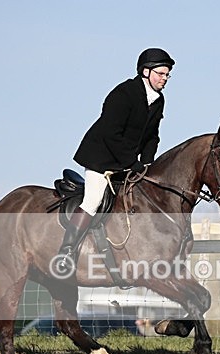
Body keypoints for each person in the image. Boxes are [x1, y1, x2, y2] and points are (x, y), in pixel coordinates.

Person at [54, 47, 175, 278]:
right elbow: (111, 133)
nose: (165, 79)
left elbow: (152, 136)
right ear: (146, 72)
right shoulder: (124, 93)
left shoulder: (159, 100)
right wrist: (132, 162)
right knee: (93, 200)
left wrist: (147, 164)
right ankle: (66, 252)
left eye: (167, 75)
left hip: (127, 162)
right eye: (161, 73)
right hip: (102, 157)